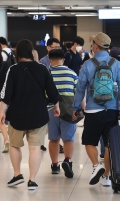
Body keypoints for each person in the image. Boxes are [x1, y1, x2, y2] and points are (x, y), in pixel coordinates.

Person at [0, 39, 60, 190]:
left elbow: (6, 94)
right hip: (38, 115)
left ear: (17, 53)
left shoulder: (13, 70)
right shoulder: (42, 69)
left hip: (16, 115)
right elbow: (52, 91)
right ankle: (32, 181)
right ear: (32, 52)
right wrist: (56, 106)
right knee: (35, 148)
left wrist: (1, 112)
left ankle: (17, 174)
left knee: (14, 145)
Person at [73, 32, 120, 187]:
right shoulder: (116, 64)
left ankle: (97, 165)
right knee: (109, 144)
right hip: (111, 110)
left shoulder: (88, 64)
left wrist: (76, 107)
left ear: (95, 46)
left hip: (93, 110)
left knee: (89, 141)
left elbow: (80, 88)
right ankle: (106, 177)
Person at [47, 49, 78, 178]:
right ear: (63, 60)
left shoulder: (47, 73)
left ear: (50, 60)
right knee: (68, 138)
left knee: (54, 139)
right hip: (69, 110)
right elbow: (78, 92)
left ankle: (55, 165)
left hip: (50, 109)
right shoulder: (71, 73)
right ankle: (67, 160)